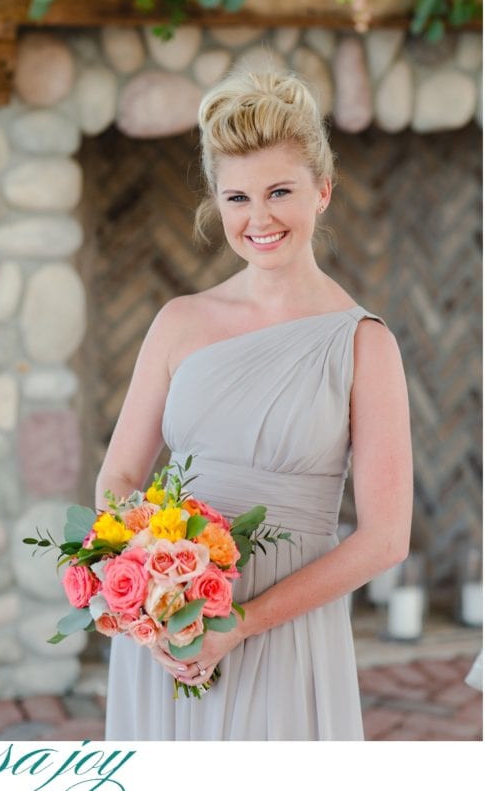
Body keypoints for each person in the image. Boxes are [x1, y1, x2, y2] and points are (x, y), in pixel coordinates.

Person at [97, 70, 413, 740]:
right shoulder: (178, 321)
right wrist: (150, 578)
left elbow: (386, 539)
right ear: (217, 201)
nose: (259, 218)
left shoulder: (364, 344)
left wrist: (243, 621)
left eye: (280, 192)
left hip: (284, 632)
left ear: (322, 191)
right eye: (238, 196)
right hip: (169, 630)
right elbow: (118, 478)